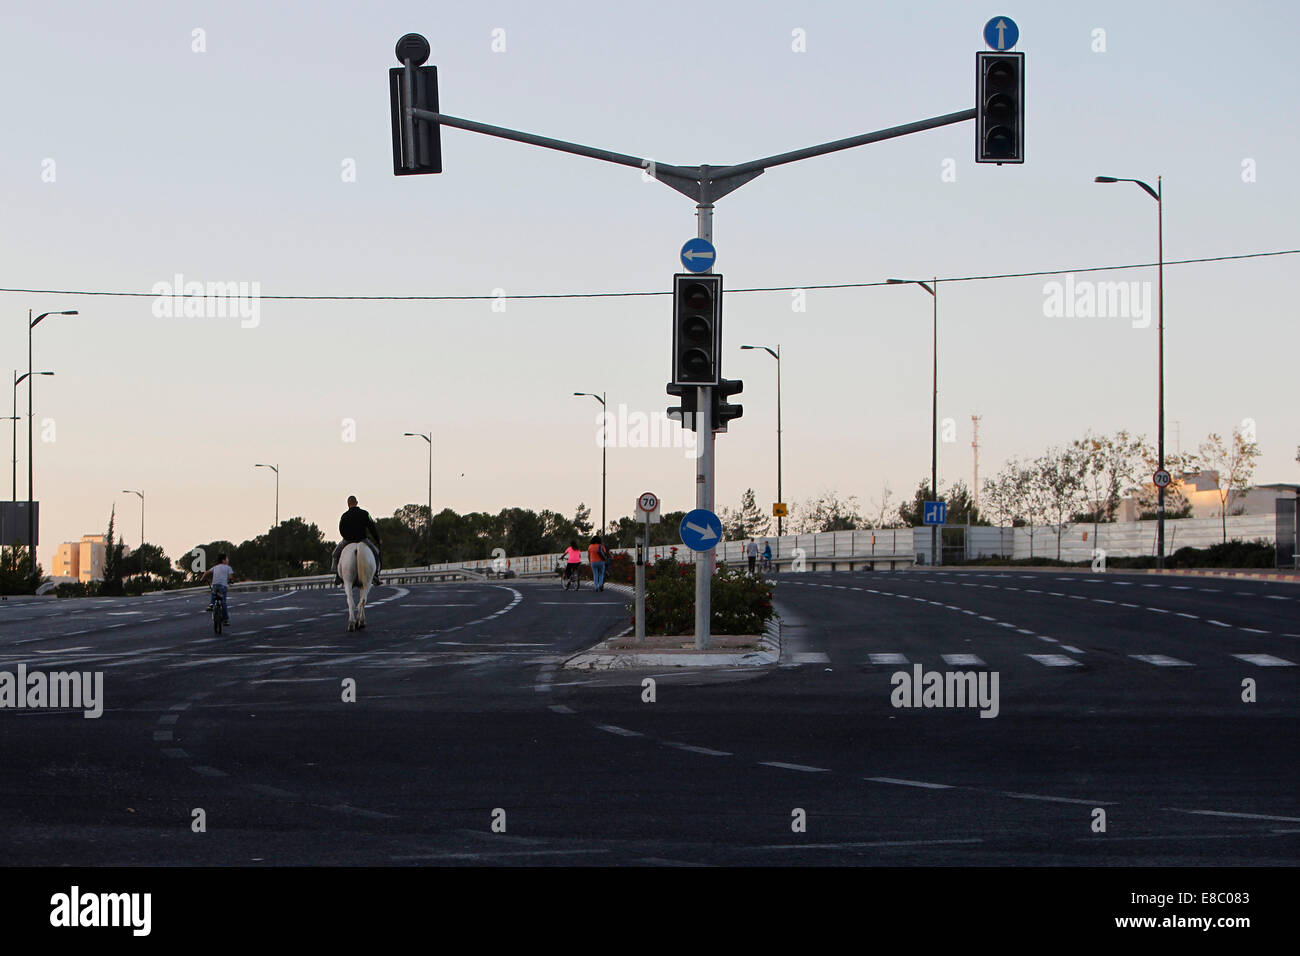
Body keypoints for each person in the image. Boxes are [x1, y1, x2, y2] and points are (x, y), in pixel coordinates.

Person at [331, 495, 382, 586]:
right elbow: (372, 527)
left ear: (348, 504)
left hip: (348, 541)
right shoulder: (365, 514)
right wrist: (378, 539)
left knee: (335, 554)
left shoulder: (344, 516)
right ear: (357, 502)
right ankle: (375, 575)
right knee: (376, 553)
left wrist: (347, 537)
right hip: (362, 540)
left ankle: (337, 575)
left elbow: (341, 529)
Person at [200, 553, 234, 625]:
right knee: (223, 602)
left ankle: (211, 604)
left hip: (215, 584)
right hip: (223, 586)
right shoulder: (228, 567)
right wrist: (231, 581)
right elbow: (230, 577)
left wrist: (202, 578)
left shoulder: (215, 567)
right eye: (227, 559)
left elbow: (206, 572)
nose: (228, 560)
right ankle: (225, 620)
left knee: (213, 593)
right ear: (223, 560)